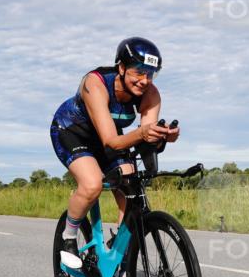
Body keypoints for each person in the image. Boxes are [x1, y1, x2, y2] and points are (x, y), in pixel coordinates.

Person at [50, 37, 179, 247]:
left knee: (132, 188)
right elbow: (111, 143)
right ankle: (69, 237)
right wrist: (143, 133)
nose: (144, 80)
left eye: (150, 74)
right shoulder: (95, 83)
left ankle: (120, 251)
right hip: (72, 131)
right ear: (121, 67)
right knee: (92, 185)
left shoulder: (151, 94)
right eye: (138, 71)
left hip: (110, 135)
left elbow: (145, 137)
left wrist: (162, 137)